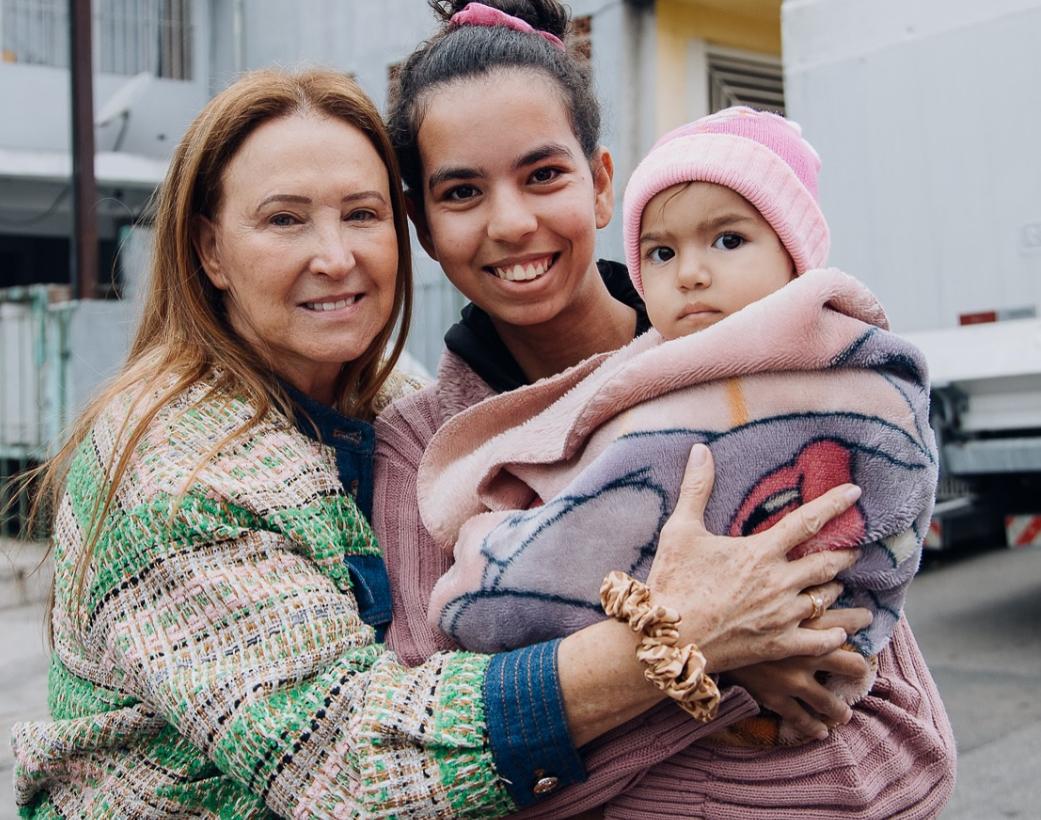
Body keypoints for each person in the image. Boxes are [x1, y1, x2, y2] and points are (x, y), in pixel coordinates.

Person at [10, 68, 861, 818]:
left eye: (361, 213)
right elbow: (349, 766)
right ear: (210, 250)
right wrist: (686, 645)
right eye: (284, 220)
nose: (336, 256)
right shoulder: (177, 467)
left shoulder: (406, 406)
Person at [376, 1, 956, 816]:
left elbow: (895, 762)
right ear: (424, 227)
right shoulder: (421, 449)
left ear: (602, 182)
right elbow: (434, 755)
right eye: (462, 191)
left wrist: (576, 723)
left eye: (543, 175)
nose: (511, 222)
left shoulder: (769, 384)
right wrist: (708, 656)